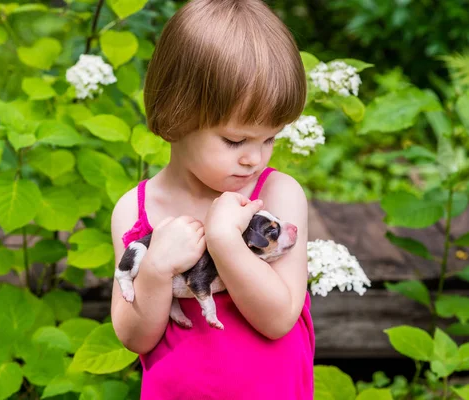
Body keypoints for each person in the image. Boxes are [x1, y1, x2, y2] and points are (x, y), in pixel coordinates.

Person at [109, 0, 315, 398]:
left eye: (270, 138)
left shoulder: (275, 195)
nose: (254, 158)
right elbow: (134, 337)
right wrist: (154, 271)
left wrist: (223, 243)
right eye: (235, 140)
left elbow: (278, 318)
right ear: (175, 116)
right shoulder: (137, 210)